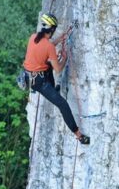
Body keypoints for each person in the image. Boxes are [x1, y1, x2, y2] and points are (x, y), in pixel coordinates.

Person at [23, 13, 90, 145]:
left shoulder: (33, 38)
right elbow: (58, 69)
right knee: (62, 104)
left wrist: (60, 39)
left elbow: (43, 49)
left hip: (30, 75)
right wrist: (64, 58)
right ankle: (79, 135)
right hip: (39, 83)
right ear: (52, 29)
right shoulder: (49, 47)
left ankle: (53, 89)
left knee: (48, 65)